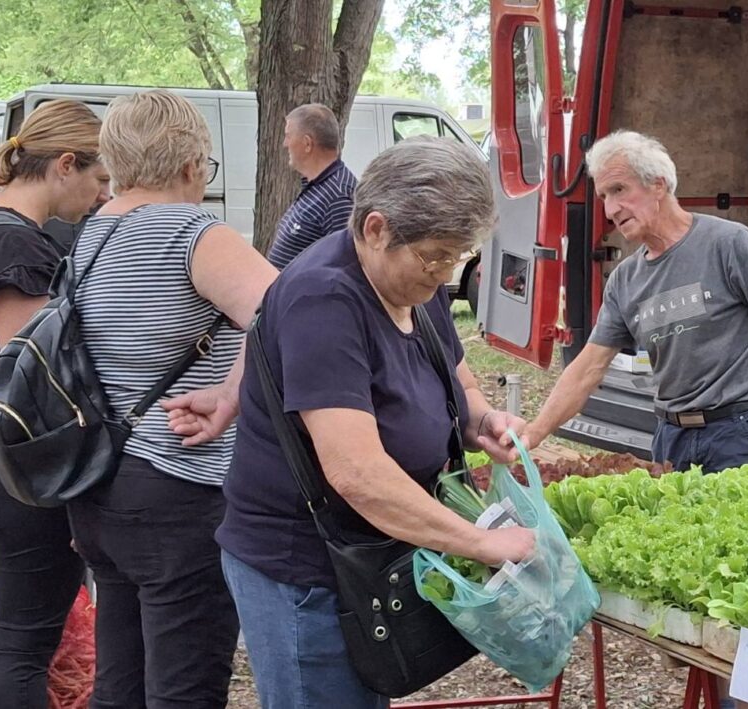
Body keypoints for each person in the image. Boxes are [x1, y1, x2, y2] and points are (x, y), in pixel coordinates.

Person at [209, 138, 532, 708]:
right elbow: (355, 472)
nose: (445, 275)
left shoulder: (411, 282)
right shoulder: (324, 299)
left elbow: (460, 379)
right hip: (307, 574)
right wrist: (482, 543)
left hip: (371, 561)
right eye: (438, 257)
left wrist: (481, 419)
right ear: (377, 227)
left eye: (458, 258)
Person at [64, 90, 277, 708]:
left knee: (121, 679)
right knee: (185, 687)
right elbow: (294, 319)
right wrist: (234, 390)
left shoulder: (88, 237)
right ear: (190, 166)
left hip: (100, 479)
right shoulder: (195, 232)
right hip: (181, 481)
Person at [518, 130, 748, 480]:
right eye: (603, 197)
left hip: (739, 432)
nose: (610, 209)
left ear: (658, 185)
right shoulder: (625, 280)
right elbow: (587, 369)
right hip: (670, 438)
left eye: (619, 190)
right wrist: (534, 433)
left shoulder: (728, 244)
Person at [0, 99, 106, 709]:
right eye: (99, 178)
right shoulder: (14, 248)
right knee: (27, 644)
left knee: (12, 635)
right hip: (15, 474)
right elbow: (37, 385)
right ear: (65, 165)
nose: (102, 195)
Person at [265, 103, 358, 269]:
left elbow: (344, 270)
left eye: (288, 136)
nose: (285, 144)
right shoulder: (317, 186)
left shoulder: (339, 196)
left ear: (307, 143)